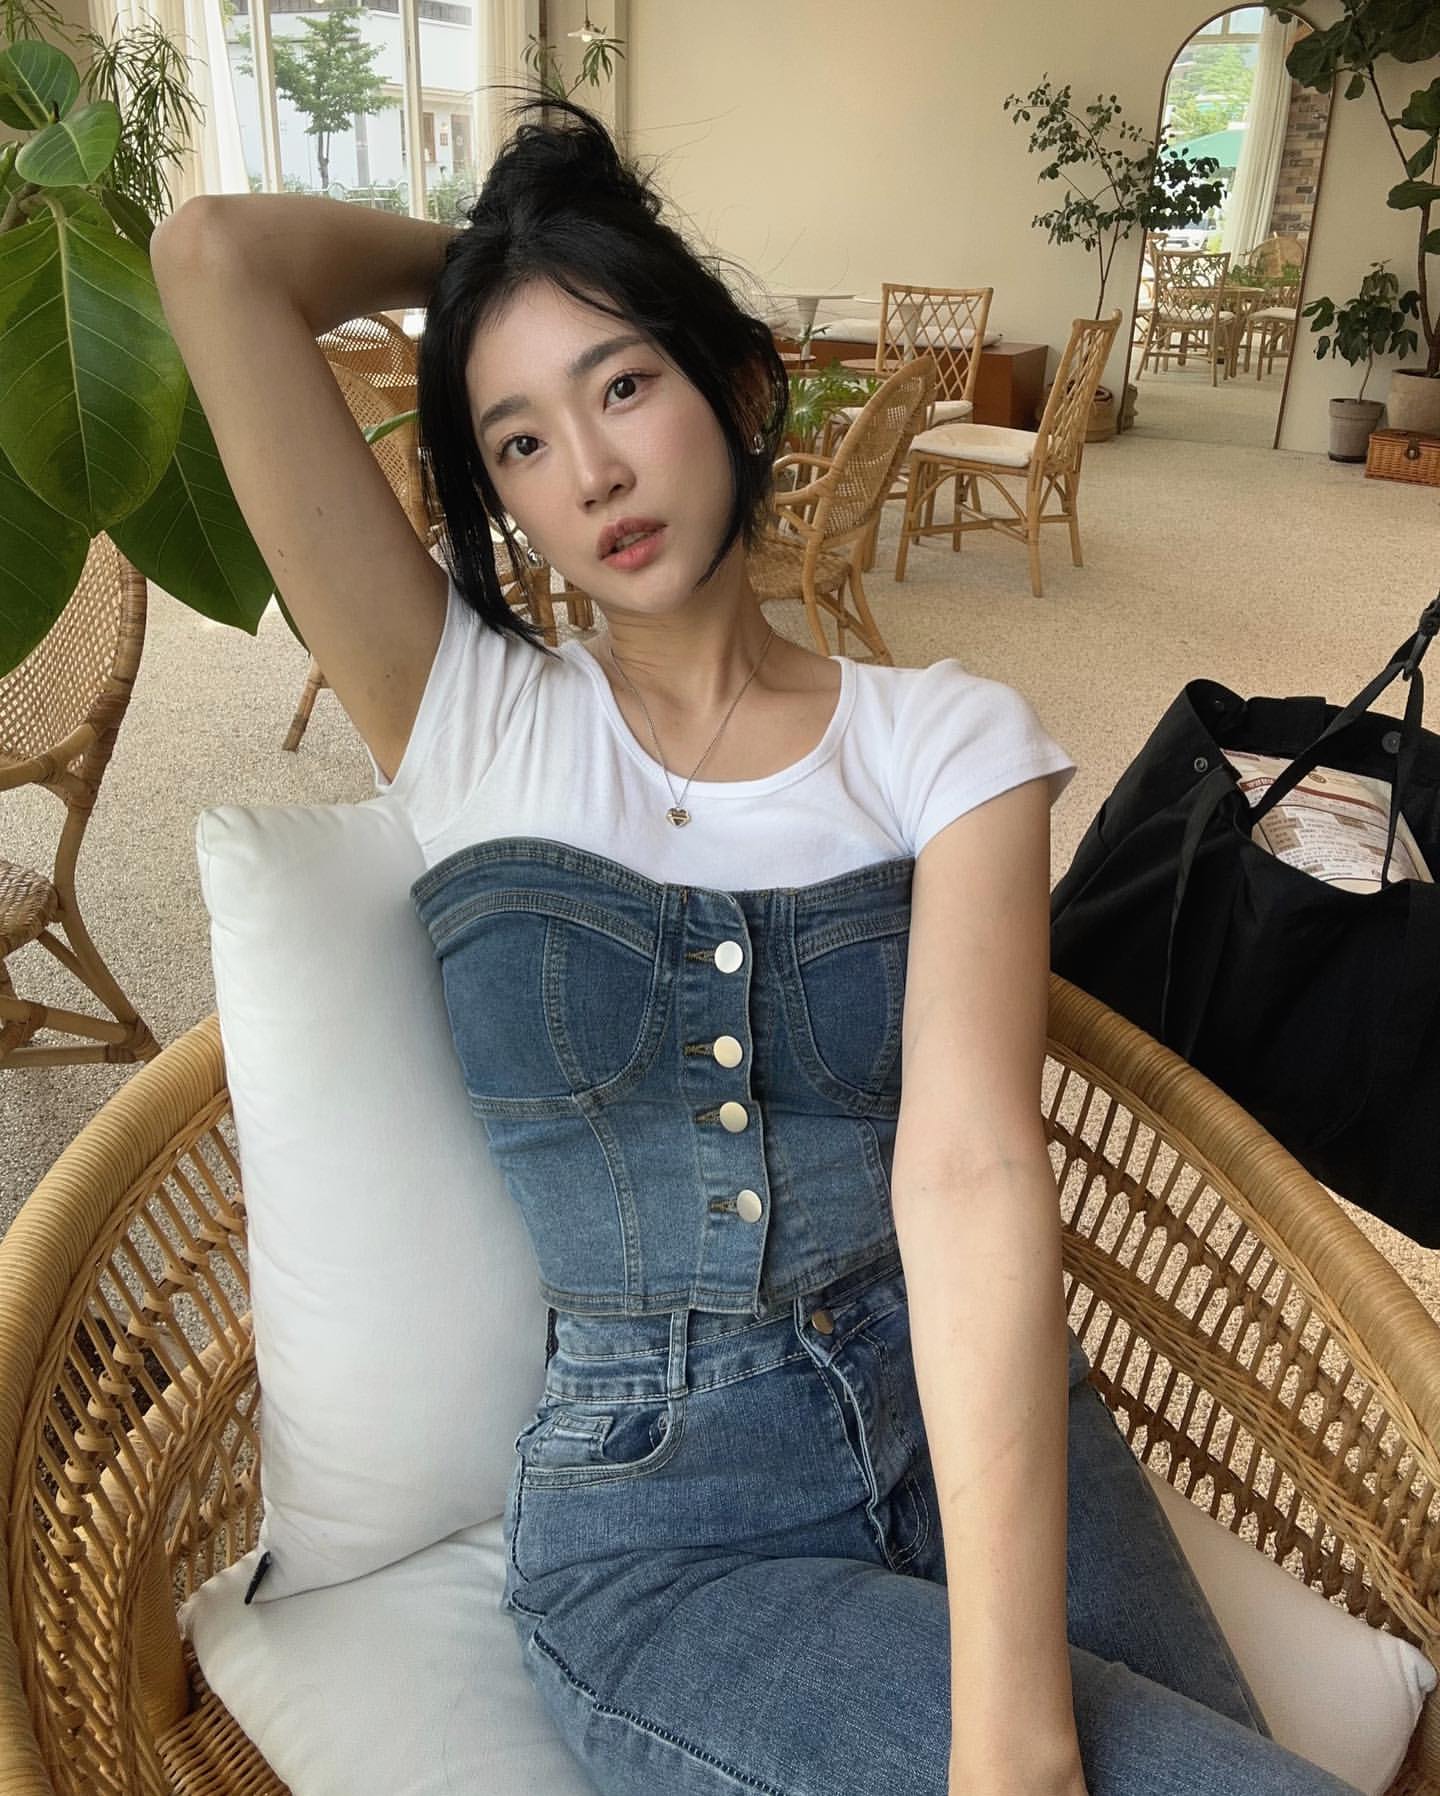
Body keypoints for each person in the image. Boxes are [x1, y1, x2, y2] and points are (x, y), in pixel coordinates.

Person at [151, 91, 1363, 1796]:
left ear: (731, 383)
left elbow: (971, 1175)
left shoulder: (946, 740)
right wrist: (498, 254)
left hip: (973, 1419)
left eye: (622, 383)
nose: (589, 473)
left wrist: (1015, 1731)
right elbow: (215, 259)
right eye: (517, 439)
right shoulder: (465, 718)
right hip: (662, 1523)